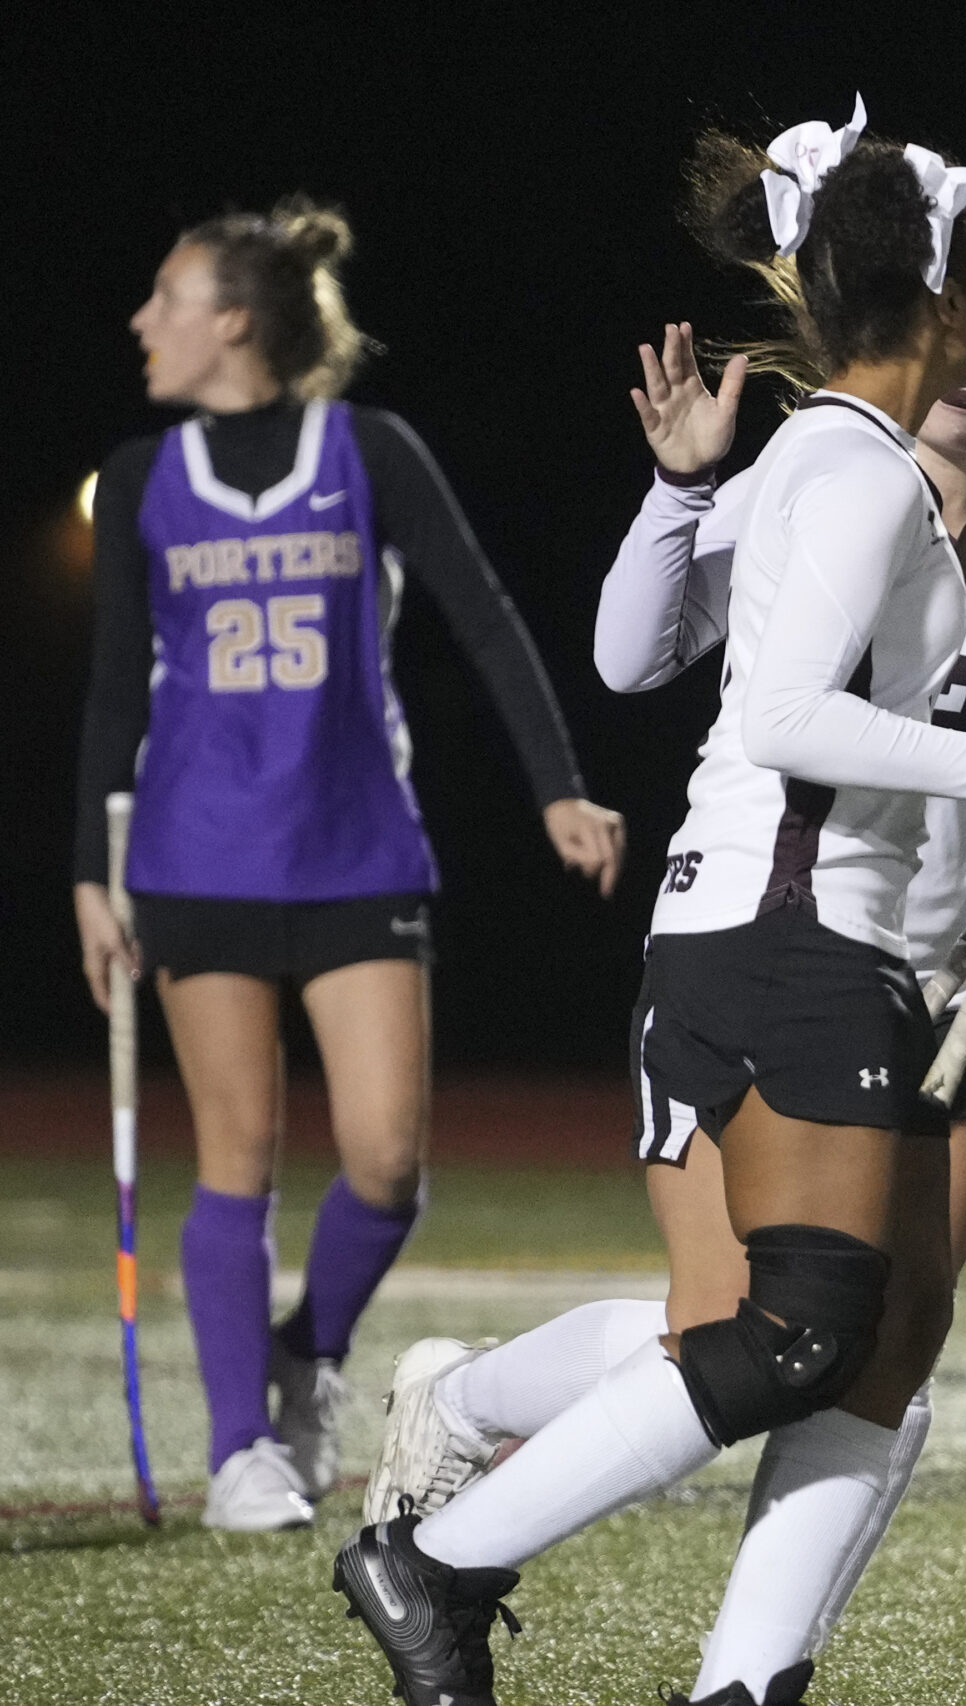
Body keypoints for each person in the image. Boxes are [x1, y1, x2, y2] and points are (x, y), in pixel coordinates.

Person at [329, 110, 966, 1706]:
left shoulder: (941, 503)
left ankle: (744, 1675)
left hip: (868, 952)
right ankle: (443, 1550)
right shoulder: (839, 464)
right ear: (943, 301)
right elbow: (755, 708)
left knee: (862, 1341)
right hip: (791, 929)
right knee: (786, 1333)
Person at [70, 196, 623, 1533]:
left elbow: (484, 618)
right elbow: (111, 690)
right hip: (199, 855)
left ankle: (307, 1351)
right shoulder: (148, 476)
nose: (143, 320)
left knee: (384, 1161)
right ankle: (242, 1449)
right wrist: (94, 867)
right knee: (239, 1154)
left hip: (355, 850)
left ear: (235, 320)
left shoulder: (367, 450)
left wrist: (560, 787)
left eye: (166, 296)